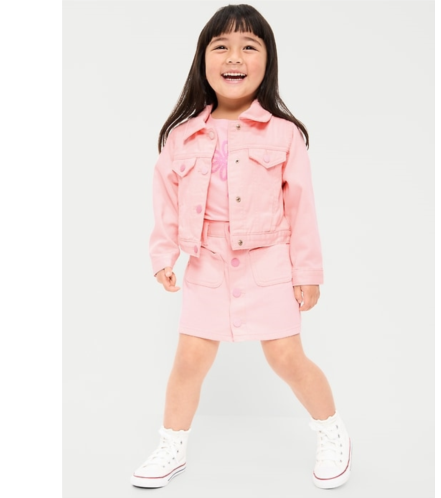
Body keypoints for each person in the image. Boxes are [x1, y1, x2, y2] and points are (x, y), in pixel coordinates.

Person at [130, 3, 352, 491]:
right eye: (221, 46)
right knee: (189, 360)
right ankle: (171, 445)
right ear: (202, 60)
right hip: (206, 265)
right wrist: (163, 254)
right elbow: (165, 201)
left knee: (286, 357)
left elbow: (301, 208)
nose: (235, 57)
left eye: (249, 46)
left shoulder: (284, 135)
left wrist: (308, 273)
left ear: (267, 60)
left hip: (268, 264)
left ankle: (332, 432)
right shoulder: (182, 136)